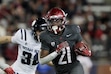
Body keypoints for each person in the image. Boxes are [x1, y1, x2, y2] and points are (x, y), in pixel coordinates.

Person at [39, 7, 92, 74]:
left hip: (74, 67)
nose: (54, 24)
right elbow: (43, 60)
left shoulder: (73, 30)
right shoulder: (45, 36)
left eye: (57, 21)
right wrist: (56, 53)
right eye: (52, 21)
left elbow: (83, 45)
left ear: (63, 21)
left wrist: (84, 49)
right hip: (60, 70)